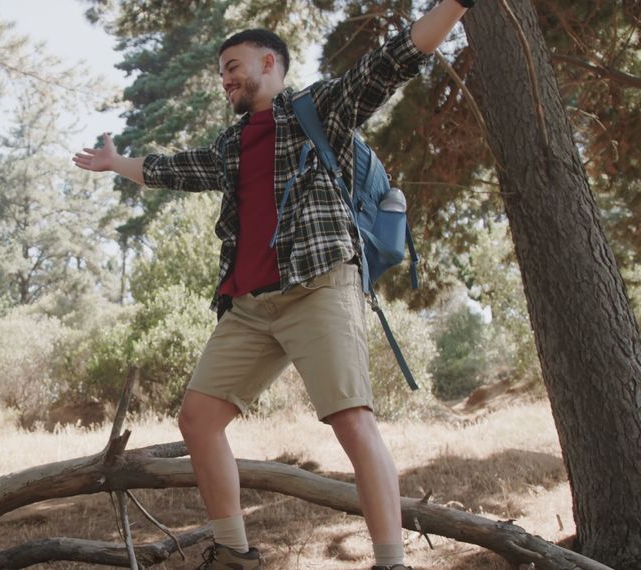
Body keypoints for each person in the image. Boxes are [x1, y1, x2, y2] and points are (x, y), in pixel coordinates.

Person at [74, 2, 474, 568]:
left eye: (233, 65)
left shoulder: (319, 109)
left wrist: (455, 4)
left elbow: (395, 59)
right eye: (221, 73)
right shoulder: (231, 145)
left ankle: (391, 562)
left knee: (352, 422)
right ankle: (234, 553)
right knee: (198, 418)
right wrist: (117, 163)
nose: (226, 79)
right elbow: (171, 170)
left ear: (270, 62)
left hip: (319, 286)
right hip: (249, 306)